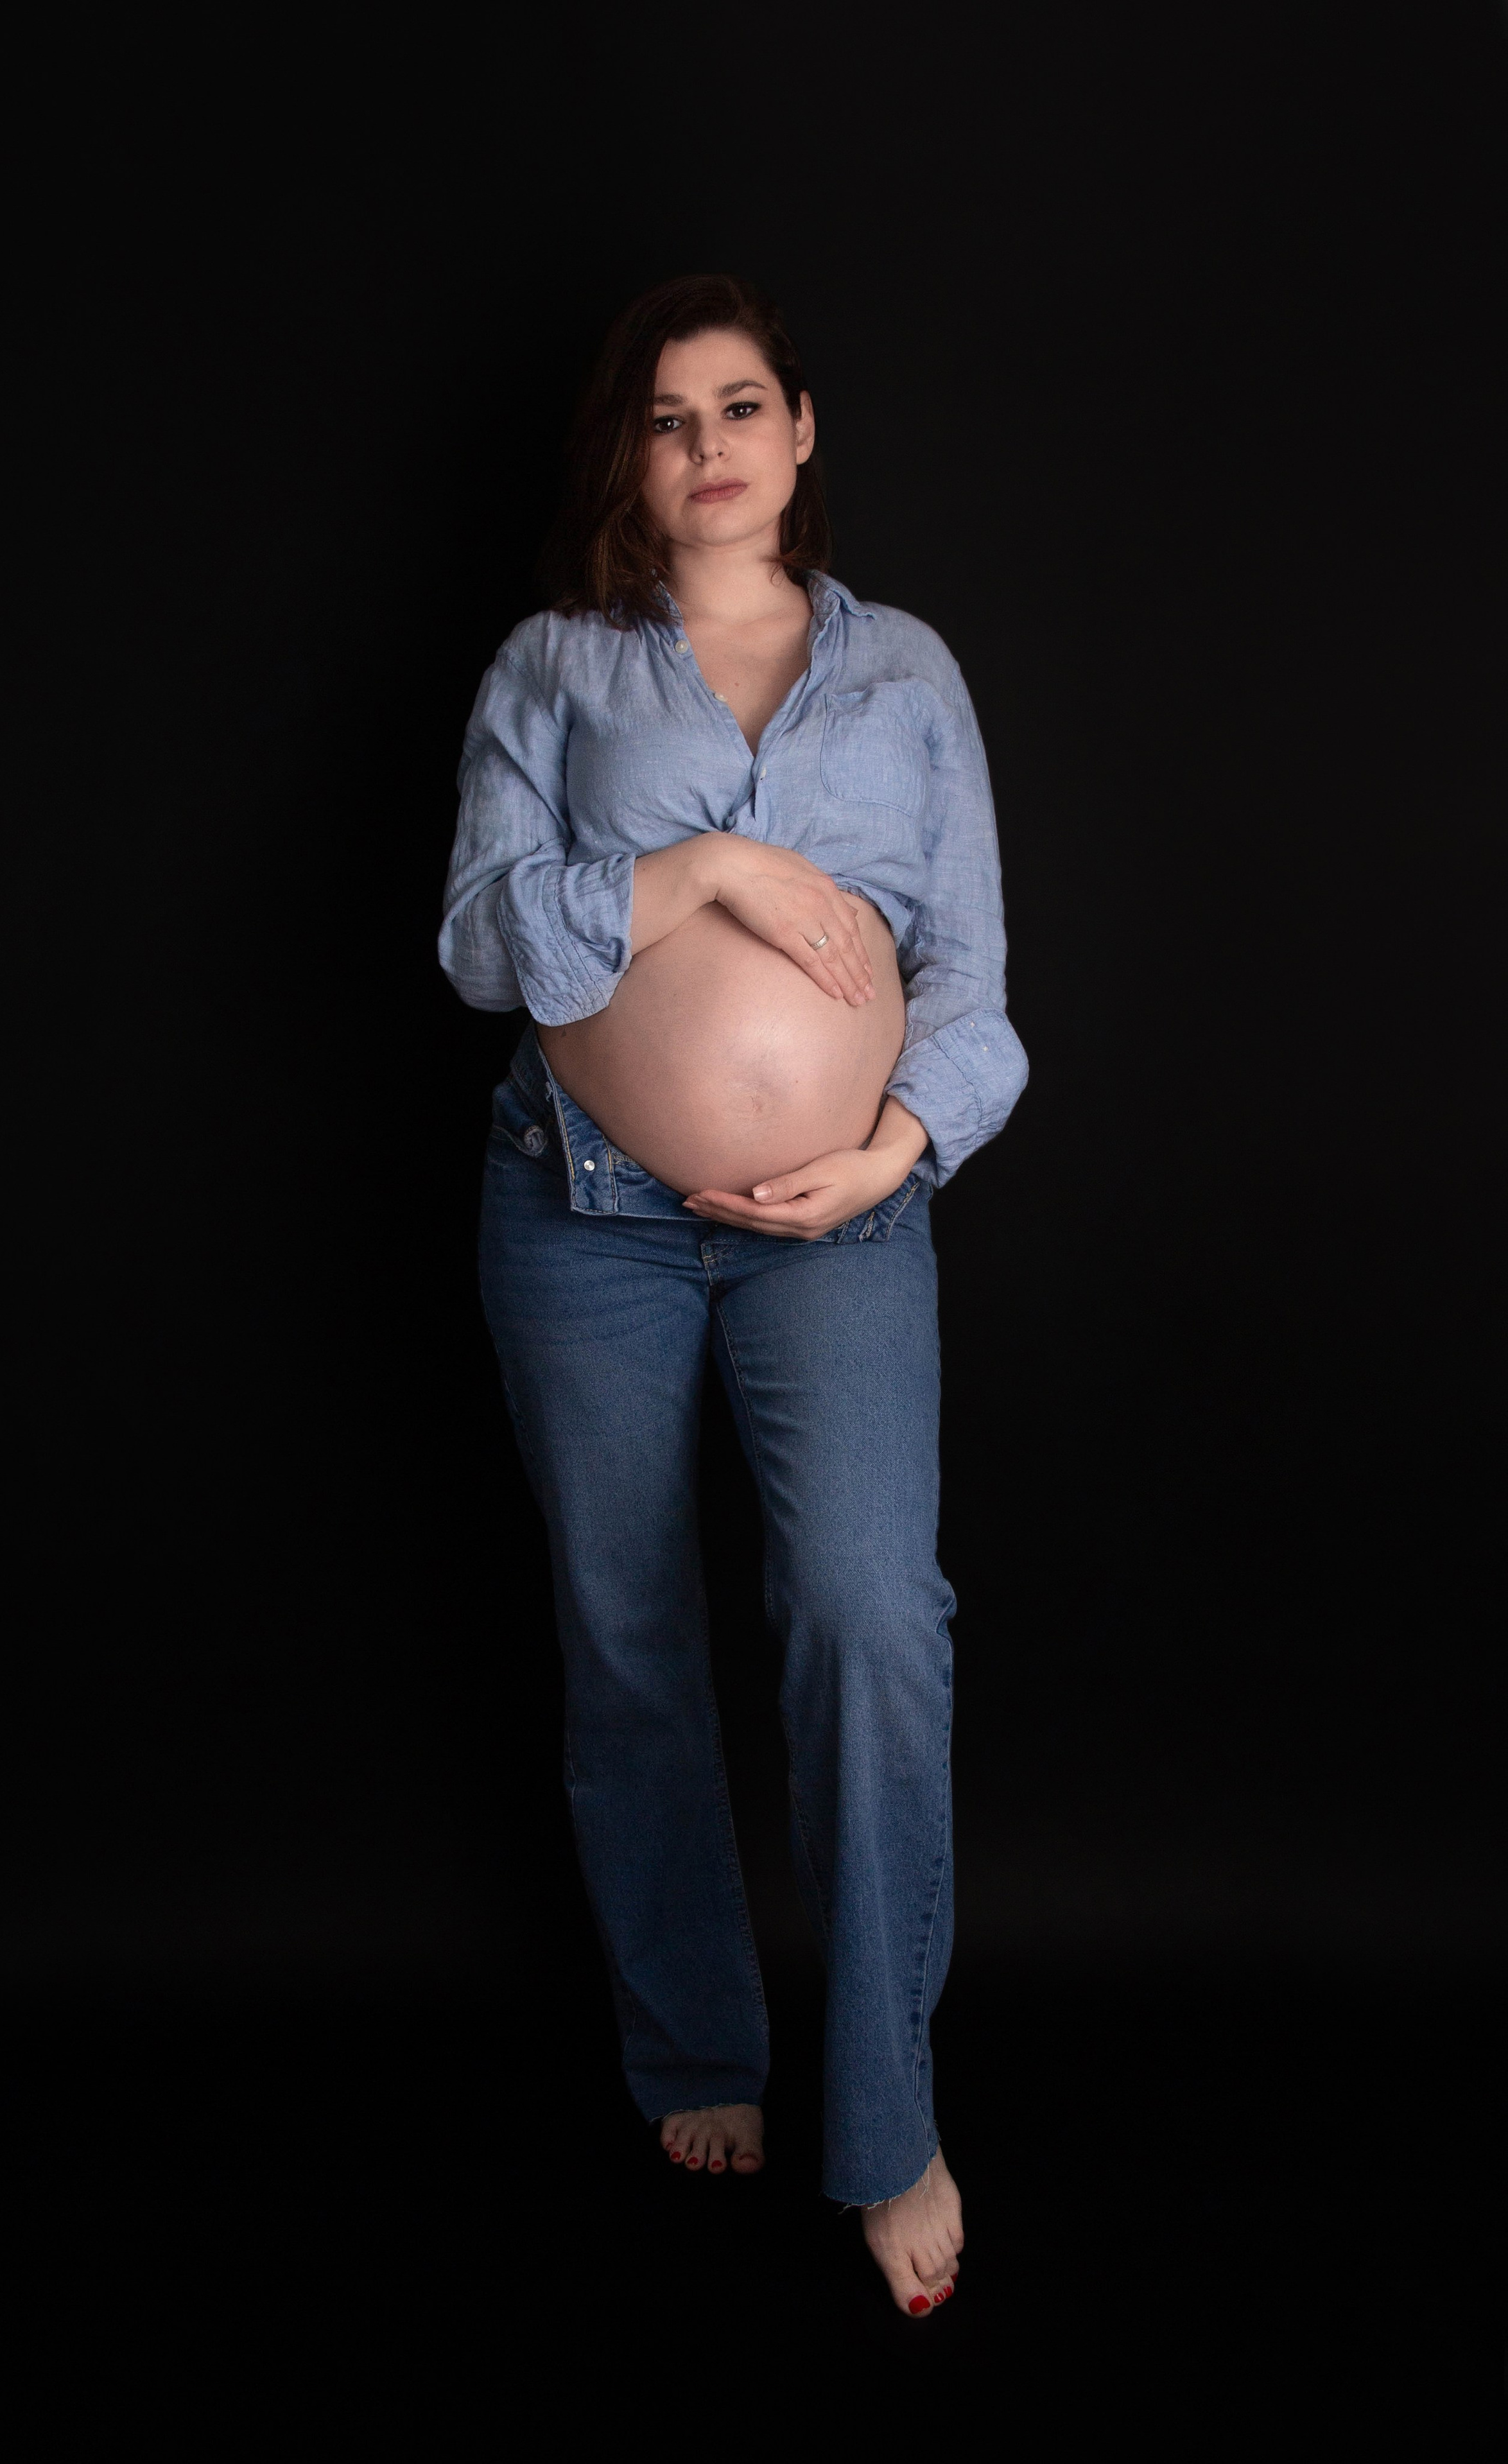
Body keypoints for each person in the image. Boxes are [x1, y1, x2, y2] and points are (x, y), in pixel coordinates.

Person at [438, 273, 1028, 2315]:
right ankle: (698, 2046)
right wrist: (697, 876)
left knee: (871, 1619)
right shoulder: (556, 667)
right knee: (630, 1641)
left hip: (843, 1222)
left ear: (800, 436)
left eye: (742, 408)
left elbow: (978, 989)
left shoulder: (908, 677)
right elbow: (481, 942)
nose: (707, 447)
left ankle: (888, 2120)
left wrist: (897, 1148)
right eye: (669, 417)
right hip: (579, 1212)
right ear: (636, 455)